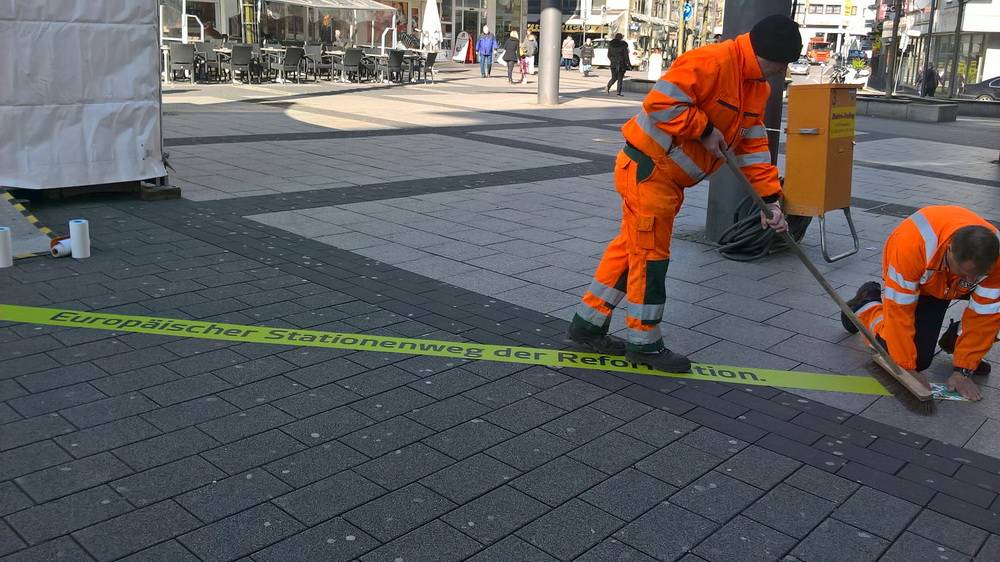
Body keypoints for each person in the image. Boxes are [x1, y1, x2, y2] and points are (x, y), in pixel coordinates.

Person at [567, 15, 801, 373]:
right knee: (651, 256)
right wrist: (703, 129)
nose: (782, 72)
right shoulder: (711, 61)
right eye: (782, 64)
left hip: (665, 177)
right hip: (649, 169)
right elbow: (660, 103)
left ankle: (588, 323)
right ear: (766, 55)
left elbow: (753, 147)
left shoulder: (757, 87)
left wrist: (769, 199)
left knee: (632, 249)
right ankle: (644, 342)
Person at [842, 206, 998, 401]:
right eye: (966, 272)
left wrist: (964, 370)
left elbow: (986, 314)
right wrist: (906, 368)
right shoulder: (911, 248)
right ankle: (866, 305)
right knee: (917, 359)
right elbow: (899, 311)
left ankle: (958, 341)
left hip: (949, 281)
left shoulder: (994, 258)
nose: (972, 280)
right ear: (949, 250)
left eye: (979, 274)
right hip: (926, 281)